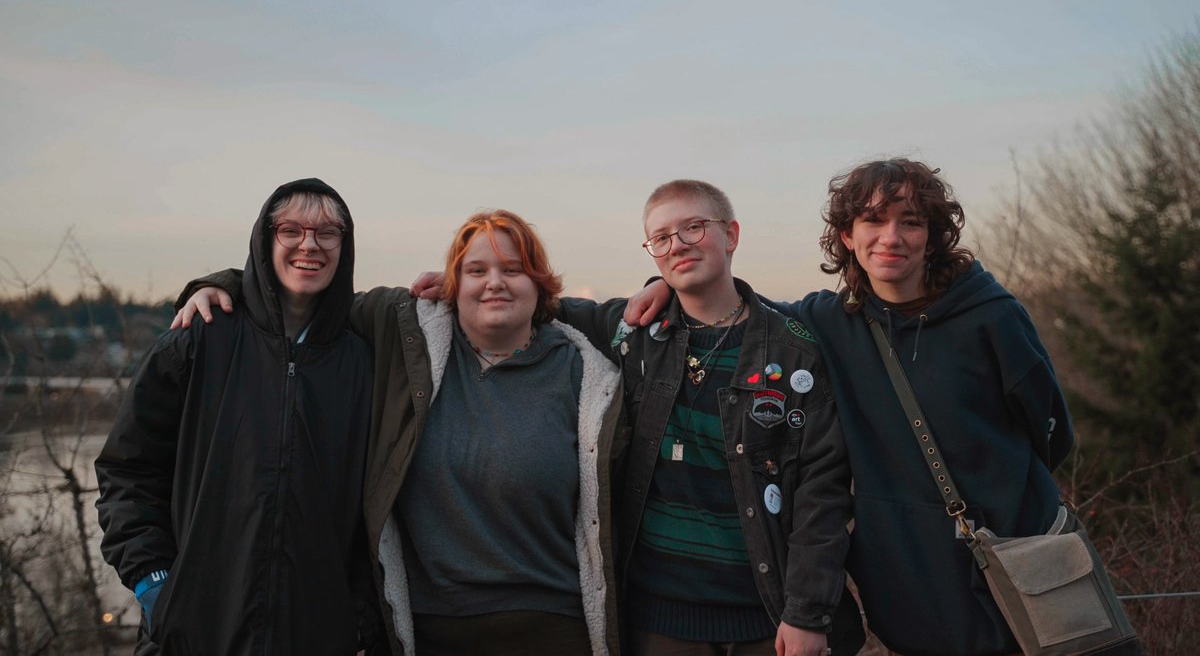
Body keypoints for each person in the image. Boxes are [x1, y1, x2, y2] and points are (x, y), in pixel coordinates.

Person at [627, 160, 1075, 655]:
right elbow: (730, 308)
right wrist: (665, 282)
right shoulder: (826, 321)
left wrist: (995, 495)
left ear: (933, 235)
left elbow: (1052, 434)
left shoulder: (992, 316)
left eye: (910, 221)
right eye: (873, 222)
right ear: (846, 235)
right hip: (911, 569)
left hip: (1012, 554)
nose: (891, 237)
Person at [173, 210, 625, 655]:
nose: (494, 282)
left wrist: (659, 286)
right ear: (452, 285)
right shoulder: (405, 334)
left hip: (552, 628)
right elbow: (308, 294)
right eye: (476, 270)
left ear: (540, 283)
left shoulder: (586, 375)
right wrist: (221, 284)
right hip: (426, 630)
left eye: (514, 270)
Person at [520, 180, 865, 656]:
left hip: (768, 616)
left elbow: (821, 491)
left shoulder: (793, 349)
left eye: (693, 228)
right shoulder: (636, 334)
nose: (677, 244)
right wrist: (451, 289)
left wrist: (807, 613)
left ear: (732, 235)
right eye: (660, 237)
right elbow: (533, 305)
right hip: (660, 617)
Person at [95, 178, 382, 655]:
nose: (309, 245)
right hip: (193, 634)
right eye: (291, 230)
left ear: (344, 246)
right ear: (265, 238)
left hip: (315, 636)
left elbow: (376, 507)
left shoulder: (362, 363)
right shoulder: (200, 336)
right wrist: (154, 584)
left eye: (328, 232)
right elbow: (127, 469)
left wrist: (357, 619)